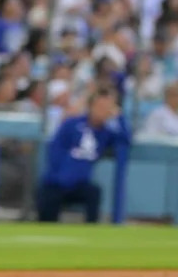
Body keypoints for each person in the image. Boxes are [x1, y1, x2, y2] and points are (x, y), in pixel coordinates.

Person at [36, 86, 130, 224]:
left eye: (107, 107)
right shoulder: (71, 124)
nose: (103, 111)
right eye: (100, 106)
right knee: (48, 196)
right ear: (91, 106)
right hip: (57, 181)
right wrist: (61, 176)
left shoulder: (106, 133)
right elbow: (54, 152)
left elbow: (125, 140)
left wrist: (120, 117)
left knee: (94, 192)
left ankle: (91, 231)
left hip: (81, 184)